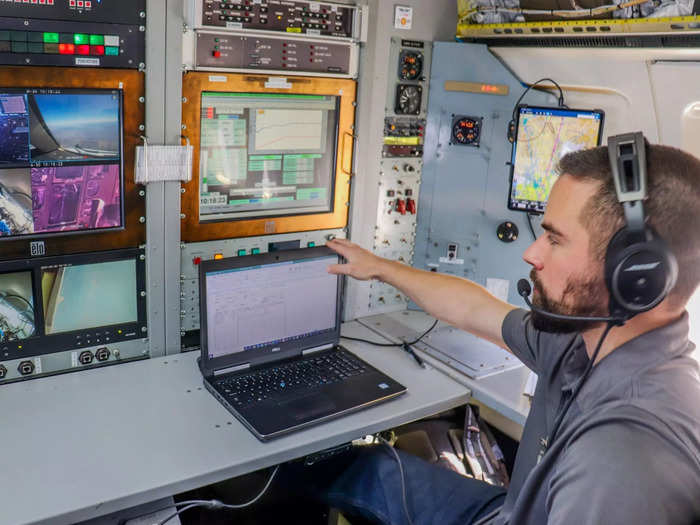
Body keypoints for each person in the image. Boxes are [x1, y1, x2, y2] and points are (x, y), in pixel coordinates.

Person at [317, 142, 700, 524]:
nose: (531, 253)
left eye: (554, 238)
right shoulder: (579, 341)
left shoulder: (625, 459)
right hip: (507, 513)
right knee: (362, 467)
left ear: (635, 275)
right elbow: (474, 308)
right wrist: (379, 267)